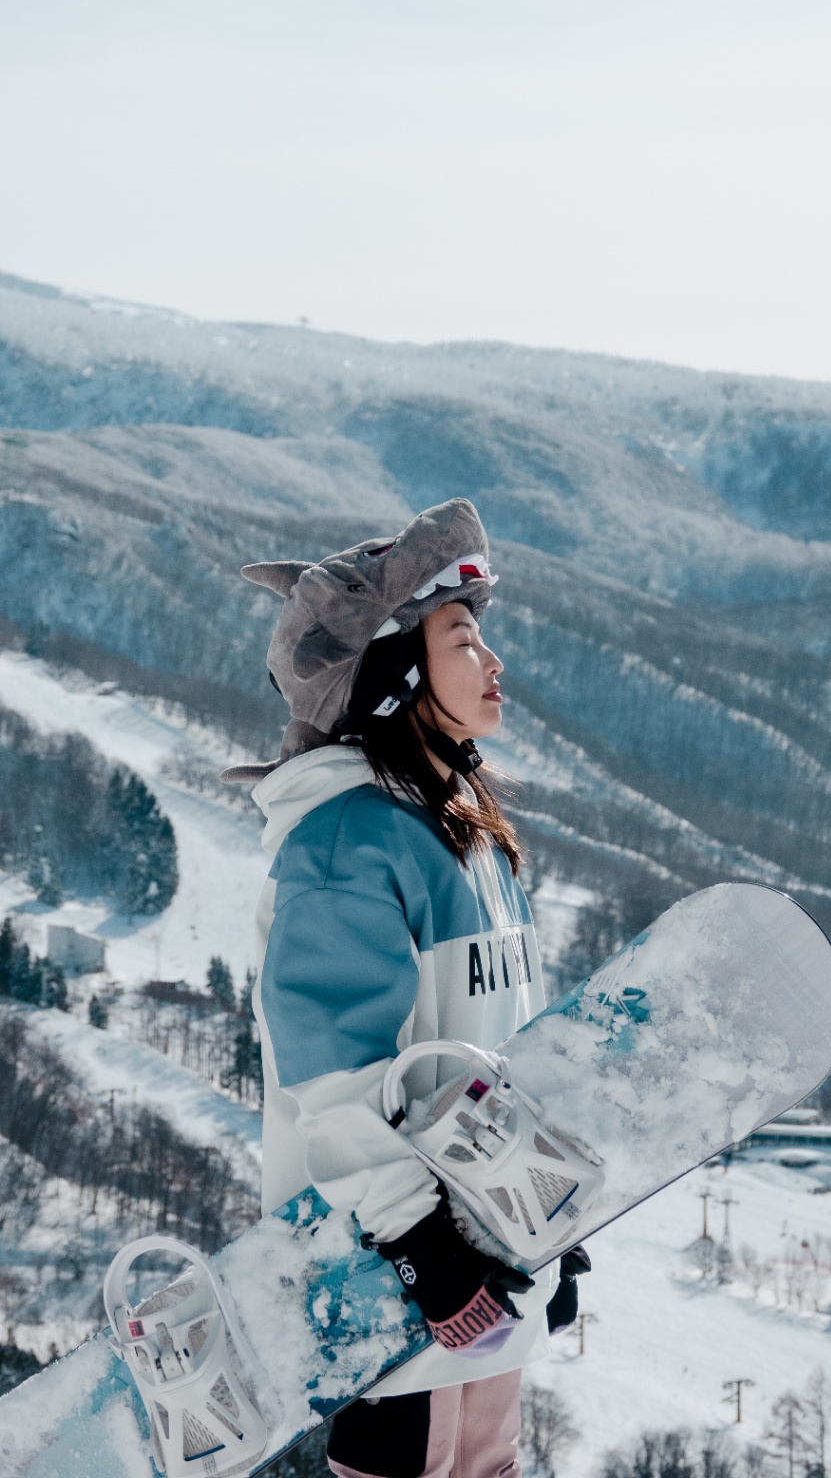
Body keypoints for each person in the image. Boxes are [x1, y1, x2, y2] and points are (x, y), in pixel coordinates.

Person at [222, 499, 588, 1478]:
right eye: (462, 640)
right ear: (394, 677)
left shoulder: (464, 834)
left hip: (485, 1265)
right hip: (398, 1284)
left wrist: (553, 1229)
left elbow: (508, 1056)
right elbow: (333, 1072)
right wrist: (420, 1242)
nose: (493, 661)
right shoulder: (349, 843)